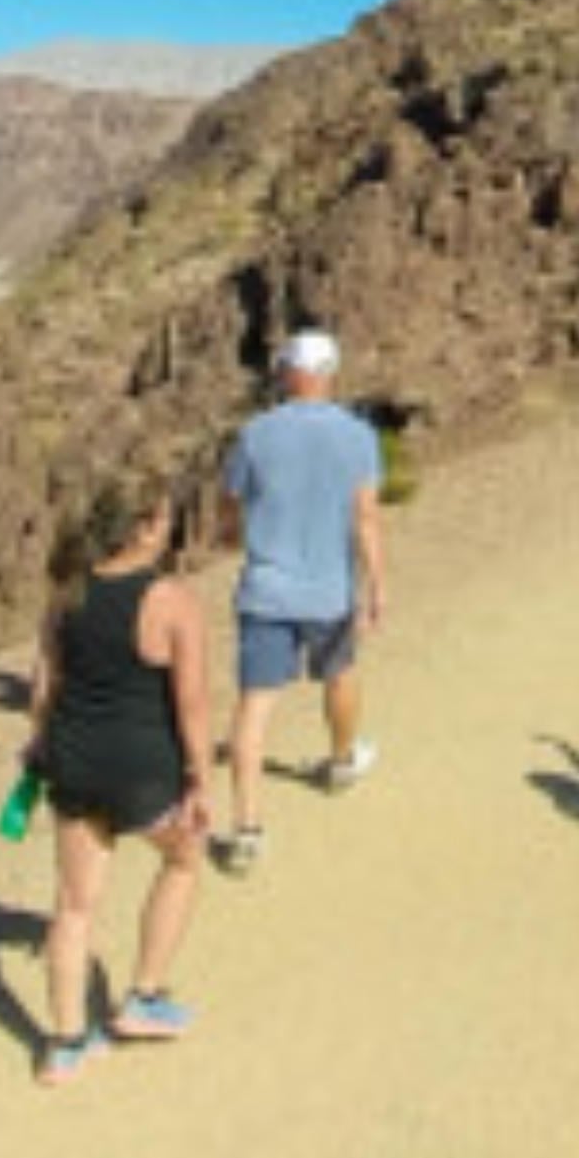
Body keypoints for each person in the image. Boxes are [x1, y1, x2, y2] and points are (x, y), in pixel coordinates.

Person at [22, 478, 213, 1086]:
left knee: (74, 904)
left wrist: (39, 747)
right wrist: (200, 777)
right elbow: (193, 704)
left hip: (75, 760)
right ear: (144, 527)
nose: (169, 528)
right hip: (142, 767)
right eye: (164, 518)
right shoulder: (171, 601)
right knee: (183, 859)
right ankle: (143, 997)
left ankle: (65, 1044)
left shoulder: (66, 594)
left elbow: (43, 689)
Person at [213, 327, 388, 873]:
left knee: (254, 706)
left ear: (288, 373)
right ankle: (341, 761)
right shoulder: (358, 436)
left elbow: (229, 505)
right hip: (329, 590)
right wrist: (378, 585)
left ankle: (246, 829)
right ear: (331, 374)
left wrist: (234, 536)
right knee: (340, 674)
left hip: (266, 590)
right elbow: (365, 517)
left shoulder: (255, 433)